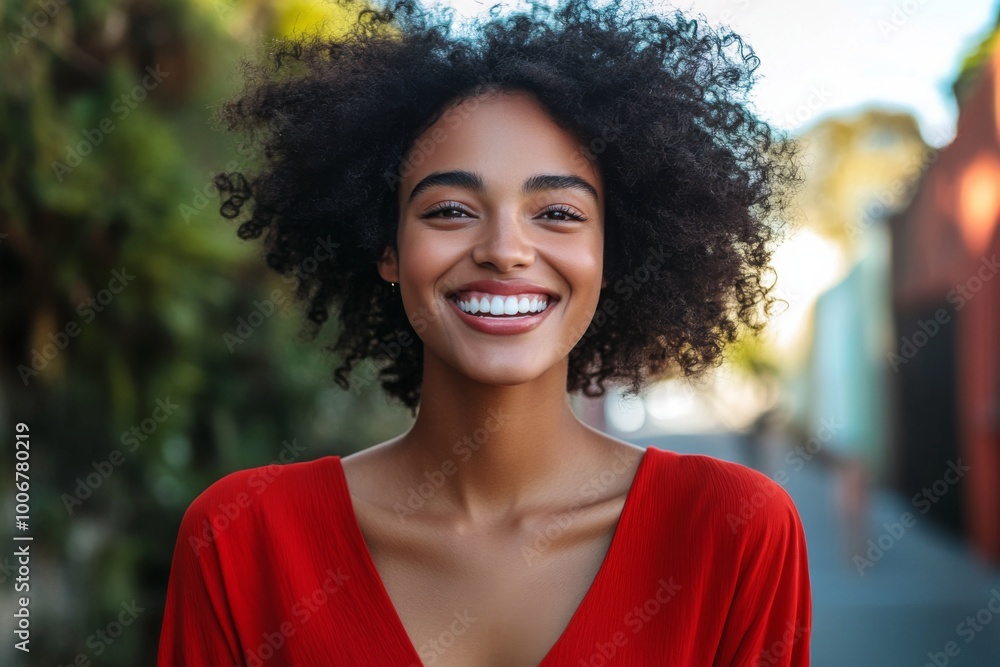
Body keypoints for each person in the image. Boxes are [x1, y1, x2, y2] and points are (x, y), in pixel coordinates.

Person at [157, 0, 811, 664]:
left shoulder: (732, 532)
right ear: (387, 246)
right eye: (450, 210)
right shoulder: (244, 539)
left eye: (556, 211)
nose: (505, 249)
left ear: (614, 252)